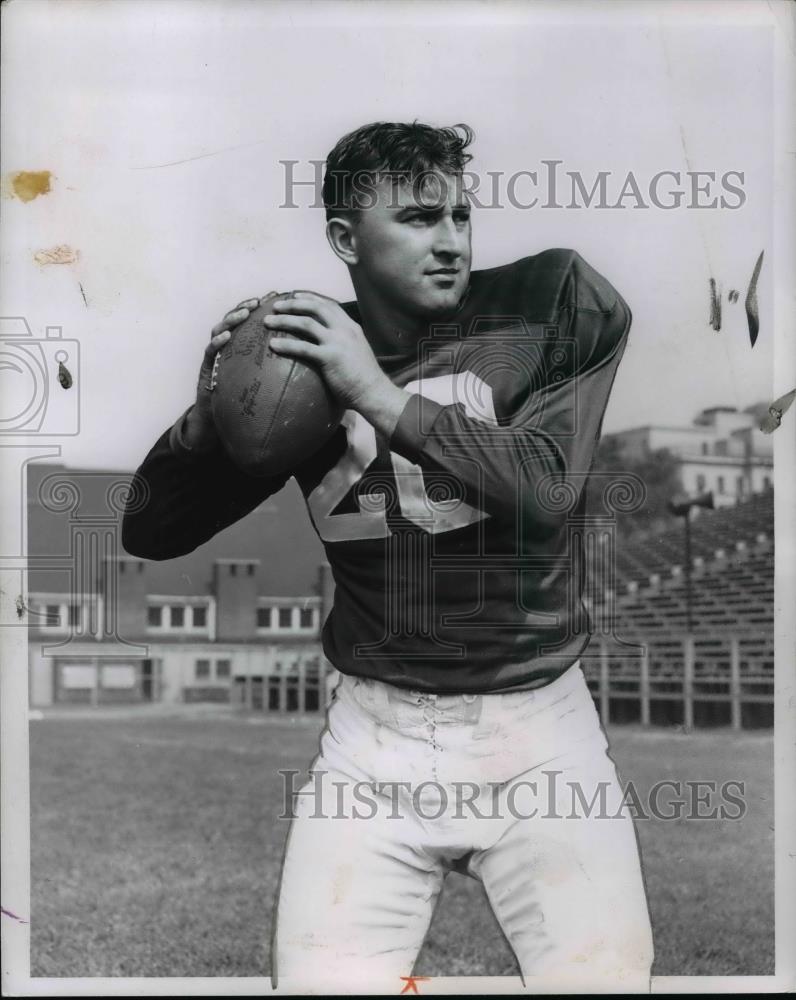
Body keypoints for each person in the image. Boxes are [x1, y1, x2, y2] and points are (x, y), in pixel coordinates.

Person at [123, 122, 654, 989]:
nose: (451, 241)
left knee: (602, 978)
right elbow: (151, 531)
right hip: (374, 746)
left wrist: (376, 391)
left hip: (537, 734)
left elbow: (549, 486)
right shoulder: (303, 362)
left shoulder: (547, 304)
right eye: (417, 219)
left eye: (460, 215)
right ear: (344, 240)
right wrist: (209, 415)